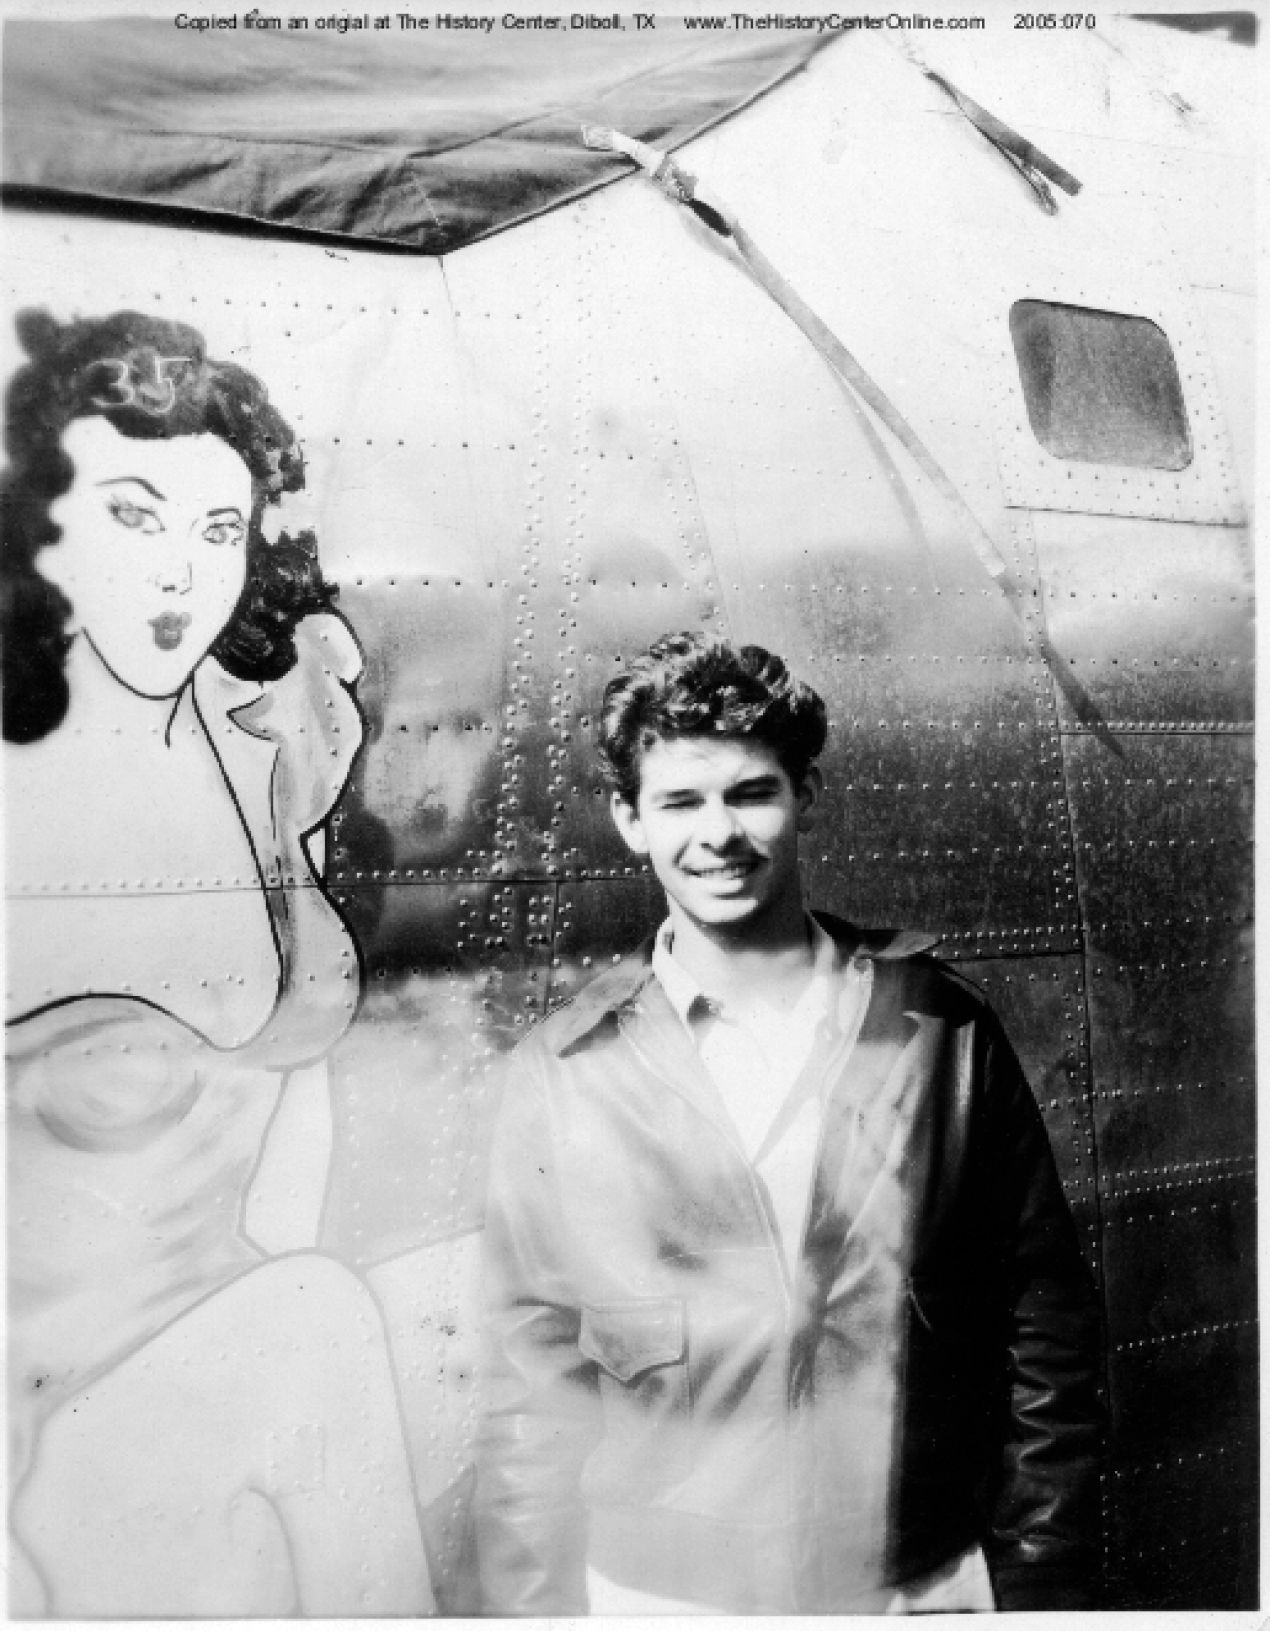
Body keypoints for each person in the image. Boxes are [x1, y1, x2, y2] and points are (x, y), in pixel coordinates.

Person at [474, 630, 1103, 1615]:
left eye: (750, 792)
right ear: (628, 819)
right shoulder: (561, 1072)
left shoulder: (938, 1025)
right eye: (679, 800)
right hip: (666, 1598)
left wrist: (1039, 1574)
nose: (717, 833)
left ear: (804, 794)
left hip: (919, 1582)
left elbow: (1046, 1326)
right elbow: (528, 1389)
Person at [3, 309, 433, 1615]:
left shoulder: (264, 753)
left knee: (340, 1313)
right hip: (38, 1431)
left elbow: (287, 1116)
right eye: (133, 517)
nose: (179, 576)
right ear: (41, 527)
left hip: (217, 1384)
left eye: (215, 531)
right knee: (320, 1324)